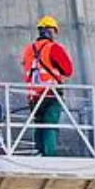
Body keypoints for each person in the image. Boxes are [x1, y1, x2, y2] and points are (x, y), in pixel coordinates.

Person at [20, 15, 74, 157]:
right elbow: (68, 70)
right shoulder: (53, 48)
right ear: (50, 31)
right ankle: (49, 156)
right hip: (51, 93)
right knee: (50, 125)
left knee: (39, 125)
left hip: (34, 95)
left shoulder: (28, 50)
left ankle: (39, 152)